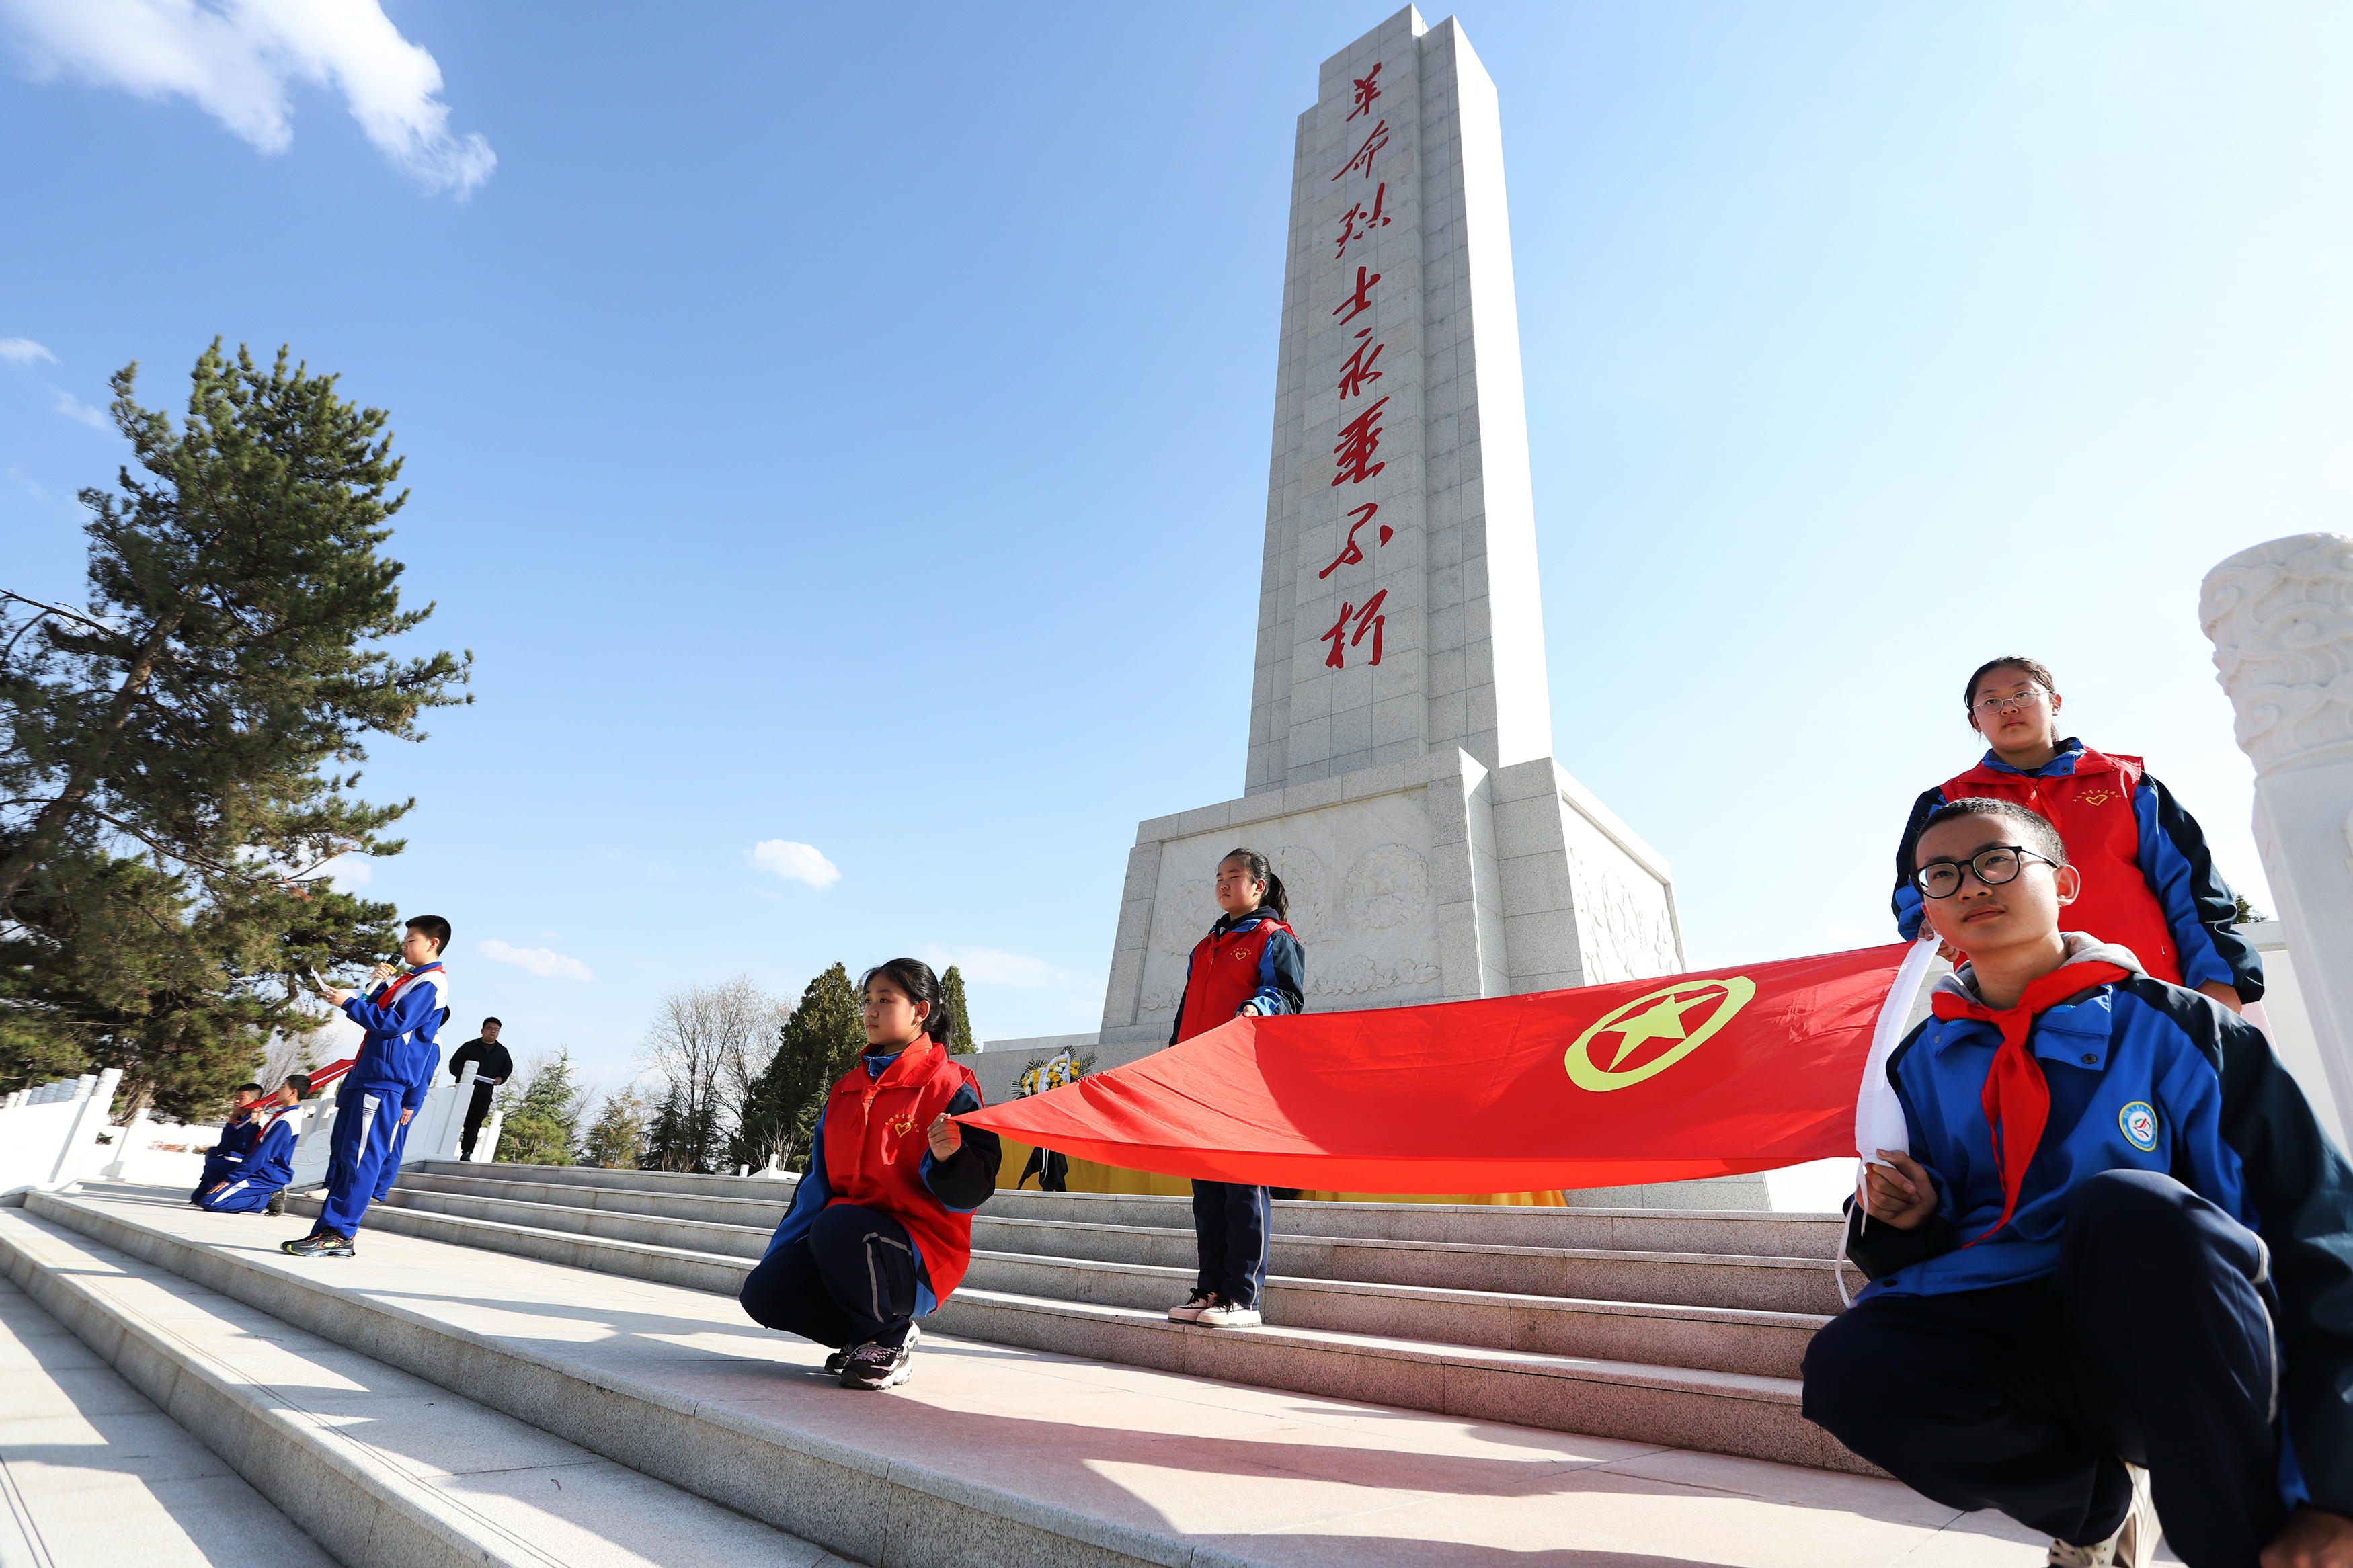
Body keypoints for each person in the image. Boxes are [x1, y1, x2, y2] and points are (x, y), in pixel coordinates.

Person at [1805, 797, 2353, 1568]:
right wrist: (1902, 1219)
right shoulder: (1914, 1064)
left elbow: (2315, 1234)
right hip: (2017, 1339)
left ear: (2062, 883)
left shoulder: (2183, 1028)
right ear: (1926, 911)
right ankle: (2091, 1507)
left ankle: (2241, 1547)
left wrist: (2335, 1488)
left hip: (2177, 1341)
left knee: (2129, 1204)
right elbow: (1912, 1258)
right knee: (1847, 1367)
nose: (1969, 885)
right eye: (1940, 873)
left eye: (1996, 860)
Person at [1892, 657, 2261, 1012]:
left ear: (2054, 703)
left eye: (2023, 694)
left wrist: (2218, 981)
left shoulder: (2128, 784)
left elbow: (2193, 891)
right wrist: (1926, 927)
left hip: (2145, 993)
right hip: (2009, 1007)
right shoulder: (1946, 802)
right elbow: (1916, 893)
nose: (2008, 708)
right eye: (1991, 701)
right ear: (1975, 721)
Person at [738, 959, 1002, 1391]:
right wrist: (778, 1259)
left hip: (918, 1253)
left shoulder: (951, 1087)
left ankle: (889, 1339)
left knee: (838, 1226)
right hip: (843, 1239)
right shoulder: (845, 1090)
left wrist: (951, 1158)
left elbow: (973, 1192)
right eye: (867, 1001)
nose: (870, 1012)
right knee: (765, 1292)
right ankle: (865, 1339)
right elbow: (813, 1188)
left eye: (885, 1000)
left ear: (921, 1012)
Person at [1163, 848, 1306, 1331]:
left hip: (1244, 1076)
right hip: (1200, 1077)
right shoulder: (1205, 945)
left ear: (1259, 886)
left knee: (1243, 1186)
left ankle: (1244, 1297)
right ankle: (1211, 1290)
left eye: (1235, 876)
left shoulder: (1273, 937)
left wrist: (1255, 1009)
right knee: (1207, 1191)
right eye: (1219, 877)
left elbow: (1286, 995)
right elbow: (1186, 1015)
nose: (1224, 884)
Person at [282, 915, 450, 1259]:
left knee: (361, 1159)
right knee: (347, 1157)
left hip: (384, 1081)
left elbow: (392, 1024)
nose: (404, 946)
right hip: (367, 1075)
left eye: (411, 940)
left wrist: (348, 1002)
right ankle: (329, 1232)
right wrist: (370, 987)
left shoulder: (431, 983)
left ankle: (340, 1234)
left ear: (432, 943)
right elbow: (375, 1011)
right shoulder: (408, 980)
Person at [196, 1075, 312, 1214]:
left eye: (282, 1087)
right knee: (214, 1166)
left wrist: (231, 1179)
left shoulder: (288, 1120)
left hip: (266, 1175)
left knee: (210, 1203)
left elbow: (263, 1154)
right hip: (257, 1169)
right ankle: (237, 1193)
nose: (278, 1091)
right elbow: (254, 1148)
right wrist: (254, 1124)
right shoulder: (281, 1116)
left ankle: (266, 1198)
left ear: (293, 1092)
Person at [446, 1017, 513, 1160]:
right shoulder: (469, 1047)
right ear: (483, 1030)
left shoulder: (502, 1052)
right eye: (490, 1028)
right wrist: (464, 1075)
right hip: (464, 1091)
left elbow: (507, 1069)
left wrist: (501, 1079)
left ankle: (467, 1152)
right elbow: (454, 1064)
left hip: (484, 1094)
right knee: (454, 1120)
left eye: (496, 1029)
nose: (492, 1032)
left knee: (474, 1123)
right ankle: (445, 1150)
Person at [190, 1082, 264, 1204]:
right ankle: (210, 1185)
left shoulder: (257, 1121)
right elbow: (224, 1144)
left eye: (241, 1098)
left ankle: (259, 1198)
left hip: (247, 1161)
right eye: (236, 1097)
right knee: (197, 1198)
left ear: (255, 1100)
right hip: (232, 1156)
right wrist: (232, 1119)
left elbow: (244, 1147)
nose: (236, 1101)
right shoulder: (239, 1119)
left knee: (215, 1158)